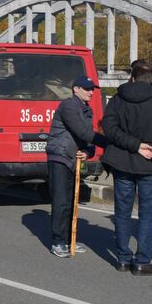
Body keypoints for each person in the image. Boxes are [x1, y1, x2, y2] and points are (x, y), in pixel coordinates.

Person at [101, 60, 152, 276]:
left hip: (122, 162)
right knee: (146, 214)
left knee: (122, 212)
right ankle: (142, 261)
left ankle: (123, 259)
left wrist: (133, 145)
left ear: (132, 78)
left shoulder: (117, 99)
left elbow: (109, 128)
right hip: (150, 163)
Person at [44, 76, 103, 257]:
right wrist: (110, 142)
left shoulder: (86, 109)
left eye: (92, 89)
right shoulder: (69, 105)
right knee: (61, 201)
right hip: (60, 156)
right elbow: (82, 132)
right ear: (76, 89)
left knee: (71, 202)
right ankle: (58, 242)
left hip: (73, 158)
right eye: (87, 89)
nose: (91, 92)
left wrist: (88, 152)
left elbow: (86, 138)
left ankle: (70, 240)